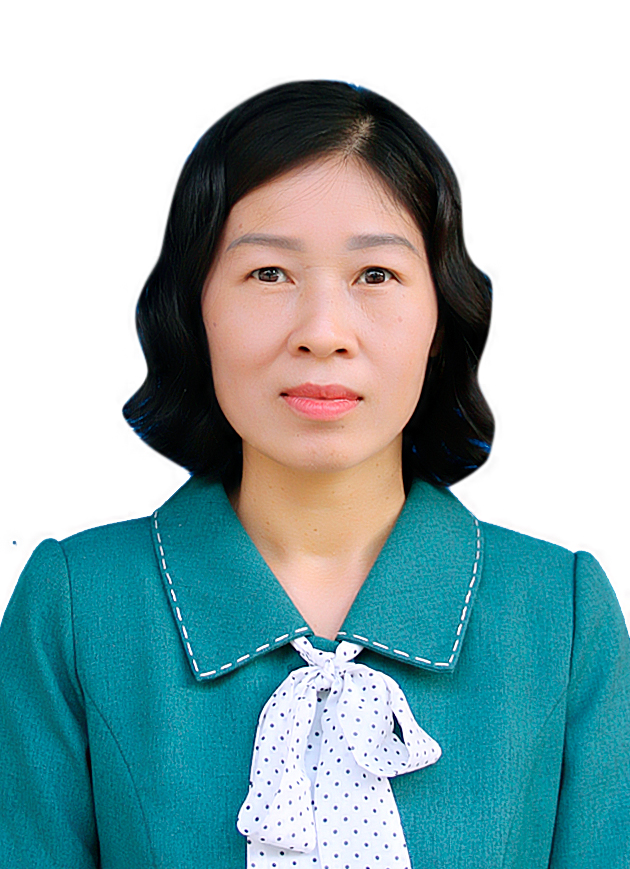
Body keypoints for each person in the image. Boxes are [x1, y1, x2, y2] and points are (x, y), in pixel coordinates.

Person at [0, 80, 628, 869]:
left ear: (441, 313)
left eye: (376, 275)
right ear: (196, 307)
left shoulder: (561, 616)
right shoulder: (74, 608)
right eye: (269, 273)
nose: (323, 332)